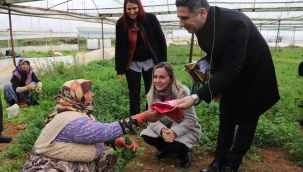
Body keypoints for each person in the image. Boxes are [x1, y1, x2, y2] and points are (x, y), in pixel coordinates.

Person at [175, 0, 280, 171]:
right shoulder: (200, 26)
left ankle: (232, 164)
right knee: (227, 116)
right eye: (179, 17)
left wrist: (196, 97)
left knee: (247, 119)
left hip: (254, 76)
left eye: (185, 18)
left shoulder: (235, 24)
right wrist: (202, 67)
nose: (181, 24)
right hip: (231, 74)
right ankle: (218, 162)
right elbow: (217, 52)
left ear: (202, 13)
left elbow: (231, 70)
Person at [22, 79, 166, 171]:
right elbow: (102, 132)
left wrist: (116, 141)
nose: (92, 94)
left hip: (65, 161)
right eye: (88, 91)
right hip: (48, 166)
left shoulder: (76, 112)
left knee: (108, 154)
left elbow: (92, 136)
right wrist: (142, 117)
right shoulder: (71, 120)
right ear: (77, 96)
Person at [140, 62, 202, 168]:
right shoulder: (152, 94)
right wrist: (162, 130)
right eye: (155, 77)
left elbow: (190, 120)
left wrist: (174, 132)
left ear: (171, 78)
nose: (157, 81)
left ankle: (185, 153)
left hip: (184, 128)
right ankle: (165, 149)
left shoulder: (182, 93)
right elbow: (151, 118)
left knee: (175, 146)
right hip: (165, 127)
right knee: (147, 136)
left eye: (162, 77)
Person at [115, 0, 167, 116]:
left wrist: (163, 64)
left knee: (152, 92)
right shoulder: (121, 23)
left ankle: (151, 117)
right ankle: (136, 120)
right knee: (134, 93)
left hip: (151, 62)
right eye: (129, 9)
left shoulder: (150, 19)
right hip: (132, 63)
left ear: (140, 7)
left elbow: (161, 41)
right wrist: (119, 69)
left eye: (134, 8)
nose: (132, 12)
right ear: (125, 9)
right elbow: (119, 46)